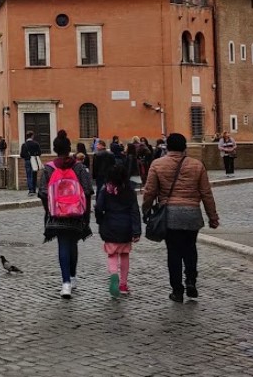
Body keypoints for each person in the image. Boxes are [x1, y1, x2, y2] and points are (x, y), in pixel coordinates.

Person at [142, 132, 220, 303]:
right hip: (192, 214)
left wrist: (146, 209)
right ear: (185, 147)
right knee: (190, 249)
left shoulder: (157, 164)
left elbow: (150, 191)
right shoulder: (197, 165)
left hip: (170, 215)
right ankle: (191, 280)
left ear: (167, 147)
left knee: (174, 252)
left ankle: (177, 290)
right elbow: (206, 193)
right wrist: (212, 217)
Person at [38, 130, 94, 299]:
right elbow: (88, 190)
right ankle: (73, 277)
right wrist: (86, 214)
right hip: (77, 213)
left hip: (57, 214)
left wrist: (48, 211)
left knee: (63, 244)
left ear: (55, 149)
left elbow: (42, 192)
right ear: (70, 148)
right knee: (73, 243)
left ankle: (66, 284)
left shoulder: (49, 168)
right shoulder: (78, 166)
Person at [95, 160, 141, 298]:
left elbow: (99, 207)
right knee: (125, 254)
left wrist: (100, 220)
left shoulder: (105, 190)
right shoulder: (129, 191)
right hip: (126, 226)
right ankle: (123, 284)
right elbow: (134, 211)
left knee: (112, 254)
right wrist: (136, 230)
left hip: (110, 225)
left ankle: (114, 275)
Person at [19, 131, 42, 197]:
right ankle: (34, 189)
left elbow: (22, 155)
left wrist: (27, 156)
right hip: (34, 160)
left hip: (27, 161)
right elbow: (39, 153)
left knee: (28, 175)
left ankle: (30, 190)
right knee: (34, 175)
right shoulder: (36, 144)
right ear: (32, 136)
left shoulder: (24, 145)